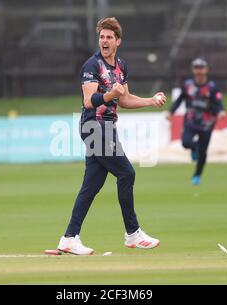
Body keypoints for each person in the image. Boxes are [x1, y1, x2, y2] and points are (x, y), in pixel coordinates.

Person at [55, 17, 167, 255]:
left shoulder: (121, 66)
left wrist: (150, 100)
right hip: (94, 126)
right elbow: (88, 101)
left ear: (118, 41)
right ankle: (133, 233)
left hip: (107, 127)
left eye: (109, 37)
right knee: (126, 173)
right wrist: (108, 94)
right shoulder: (92, 66)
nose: (104, 41)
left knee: (92, 185)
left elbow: (124, 99)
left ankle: (69, 238)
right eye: (102, 37)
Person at [167, 58, 226, 186]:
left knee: (203, 152)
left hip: (207, 124)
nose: (199, 71)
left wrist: (221, 111)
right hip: (190, 121)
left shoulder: (212, 87)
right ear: (193, 70)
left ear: (206, 69)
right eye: (196, 68)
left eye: (201, 68)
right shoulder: (188, 85)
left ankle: (197, 174)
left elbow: (218, 103)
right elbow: (179, 100)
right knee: (185, 142)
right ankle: (194, 148)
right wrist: (171, 112)